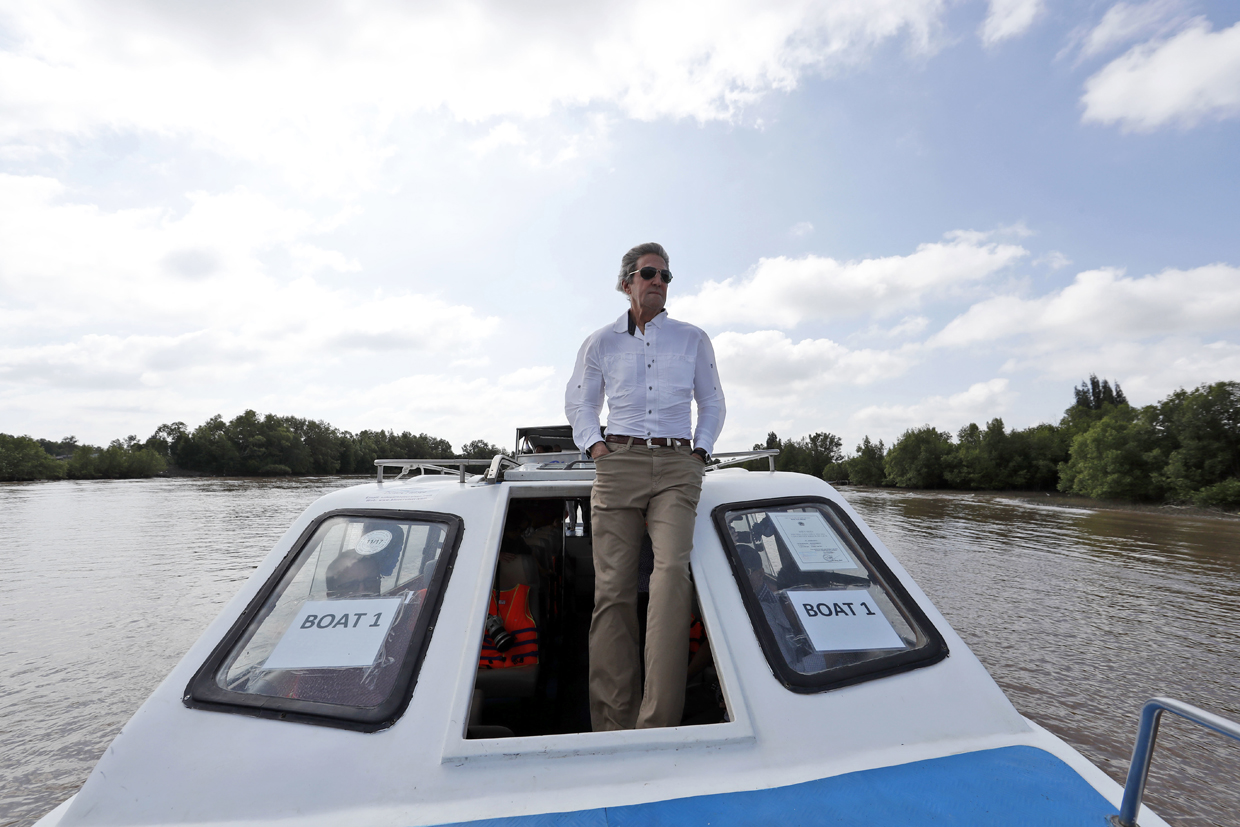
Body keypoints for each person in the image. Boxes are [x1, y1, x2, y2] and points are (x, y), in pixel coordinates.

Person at [564, 241, 726, 730]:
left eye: (666, 276)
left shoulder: (693, 338)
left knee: (670, 577)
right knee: (611, 591)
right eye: (649, 273)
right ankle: (613, 723)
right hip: (619, 462)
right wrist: (597, 449)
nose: (659, 281)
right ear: (626, 282)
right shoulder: (600, 343)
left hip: (679, 465)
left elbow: (713, 403)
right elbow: (579, 405)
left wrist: (699, 453)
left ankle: (657, 723)